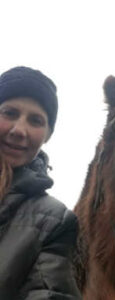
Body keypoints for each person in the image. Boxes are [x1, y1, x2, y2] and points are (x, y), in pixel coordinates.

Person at [0, 66, 81, 299]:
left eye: (35, 120)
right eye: (9, 113)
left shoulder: (53, 222)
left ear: (47, 135)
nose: (19, 130)